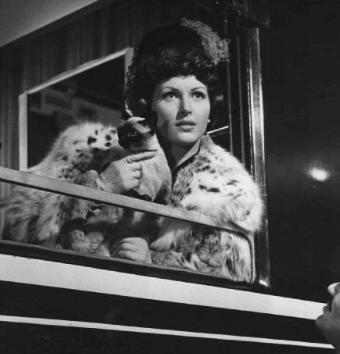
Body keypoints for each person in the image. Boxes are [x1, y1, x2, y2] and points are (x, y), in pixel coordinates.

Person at [99, 19, 263, 281]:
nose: (186, 108)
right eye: (170, 95)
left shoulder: (230, 189)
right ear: (148, 106)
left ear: (210, 108)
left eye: (198, 94)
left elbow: (232, 274)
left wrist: (153, 262)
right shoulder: (110, 164)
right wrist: (101, 189)